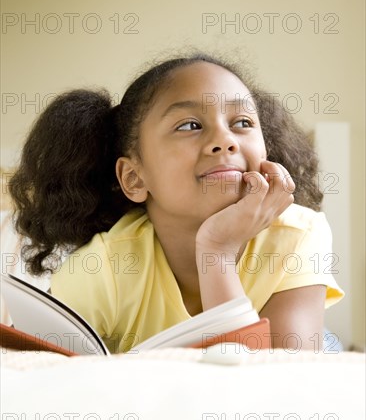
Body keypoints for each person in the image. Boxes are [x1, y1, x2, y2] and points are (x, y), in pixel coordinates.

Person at [9, 53, 344, 353]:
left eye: (242, 122)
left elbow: (276, 393)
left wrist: (216, 251)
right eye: (190, 125)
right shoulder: (102, 269)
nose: (224, 141)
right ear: (134, 178)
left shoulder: (298, 233)